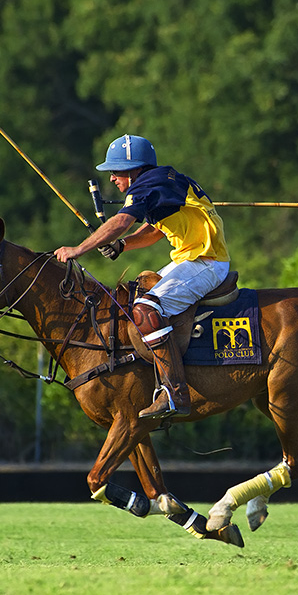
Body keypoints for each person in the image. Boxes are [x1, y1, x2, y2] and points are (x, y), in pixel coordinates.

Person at [54, 134, 231, 420]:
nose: (112, 178)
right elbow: (156, 230)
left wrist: (79, 249)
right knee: (136, 300)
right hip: (190, 259)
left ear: (134, 168)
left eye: (116, 171)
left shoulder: (150, 183)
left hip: (205, 262)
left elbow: (122, 221)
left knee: (146, 308)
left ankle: (175, 392)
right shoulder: (162, 182)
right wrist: (123, 244)